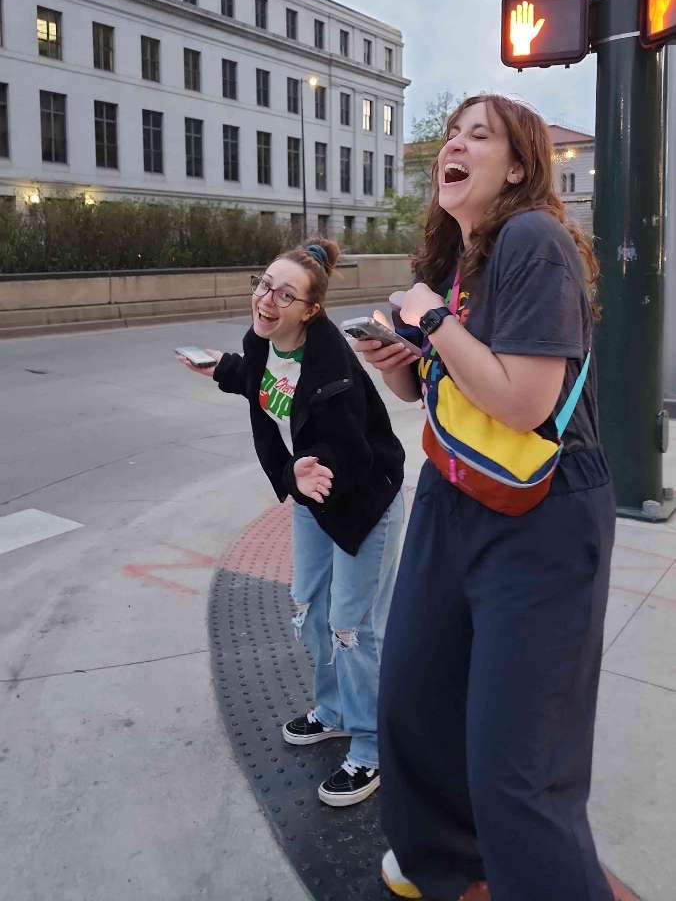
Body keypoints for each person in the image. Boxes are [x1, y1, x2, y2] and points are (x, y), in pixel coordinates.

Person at [355, 95, 616, 900]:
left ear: (517, 167)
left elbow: (524, 402)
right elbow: (443, 392)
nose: (453, 147)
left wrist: (432, 319)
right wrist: (400, 363)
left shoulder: (534, 240)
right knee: (414, 698)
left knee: (517, 762)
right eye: (450, 135)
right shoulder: (454, 260)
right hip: (455, 489)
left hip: (543, 513)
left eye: (479, 135)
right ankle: (444, 858)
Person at [179, 238, 405, 808]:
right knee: (310, 608)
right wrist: (221, 368)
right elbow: (262, 383)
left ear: (311, 310)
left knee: (351, 627)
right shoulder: (261, 341)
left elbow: (353, 453)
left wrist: (306, 470)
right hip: (311, 495)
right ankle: (333, 711)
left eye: (285, 295)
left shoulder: (332, 368)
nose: (267, 300)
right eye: (264, 285)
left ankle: (371, 747)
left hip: (362, 501)